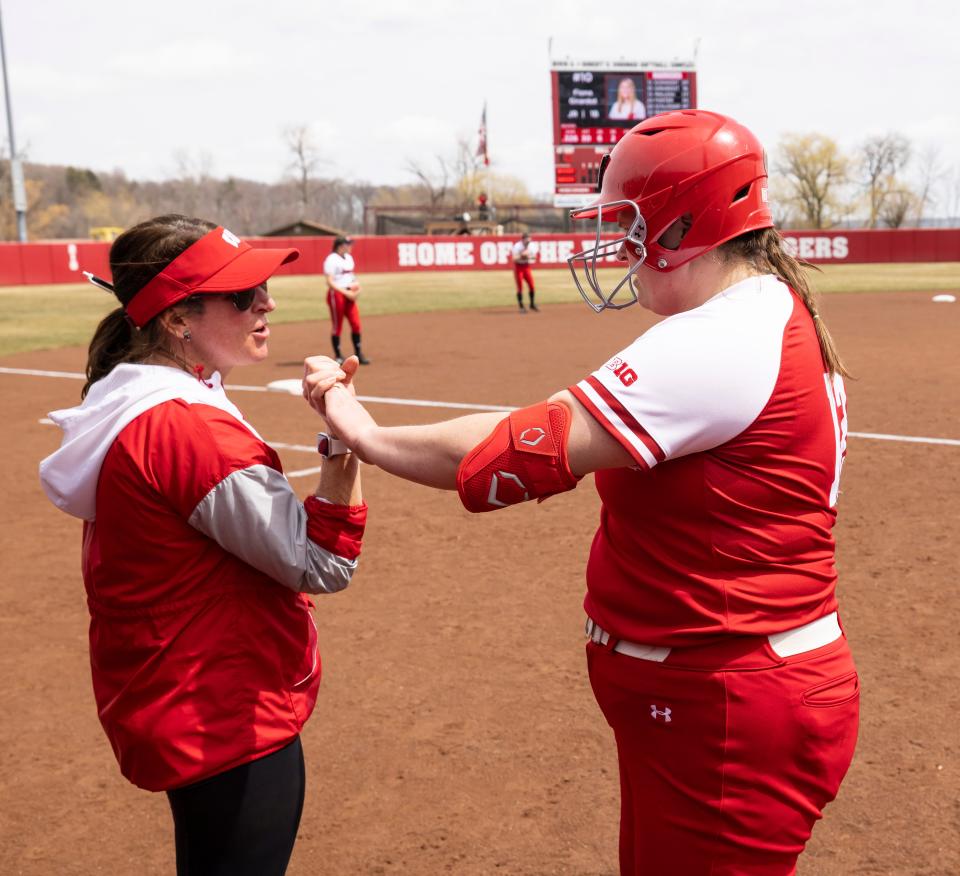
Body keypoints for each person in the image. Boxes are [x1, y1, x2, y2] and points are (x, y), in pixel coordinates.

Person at [305, 111, 859, 875]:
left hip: (728, 702)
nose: (619, 245)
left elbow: (520, 449)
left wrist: (360, 427)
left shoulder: (722, 334)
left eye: (632, 223)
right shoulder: (758, 314)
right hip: (721, 693)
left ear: (686, 222)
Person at [39, 215, 367, 876]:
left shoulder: (134, 400)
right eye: (243, 294)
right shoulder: (189, 431)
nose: (267, 303)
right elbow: (323, 562)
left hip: (181, 700)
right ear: (178, 319)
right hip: (224, 716)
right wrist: (343, 441)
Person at [324, 235, 370, 365]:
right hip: (336, 295)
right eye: (348, 244)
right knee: (337, 326)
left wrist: (357, 288)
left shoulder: (349, 258)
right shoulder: (331, 260)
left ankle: (358, 353)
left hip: (350, 293)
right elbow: (329, 282)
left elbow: (351, 276)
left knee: (356, 324)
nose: (351, 246)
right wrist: (346, 293)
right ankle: (338, 355)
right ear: (340, 245)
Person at [511, 232, 538, 312]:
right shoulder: (517, 246)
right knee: (520, 287)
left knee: (532, 285)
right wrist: (522, 255)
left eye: (529, 241)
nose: (528, 243)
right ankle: (521, 306)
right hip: (518, 267)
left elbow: (534, 258)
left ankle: (532, 304)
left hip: (526, 266)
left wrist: (528, 256)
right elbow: (514, 259)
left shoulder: (532, 246)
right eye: (526, 241)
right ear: (522, 240)